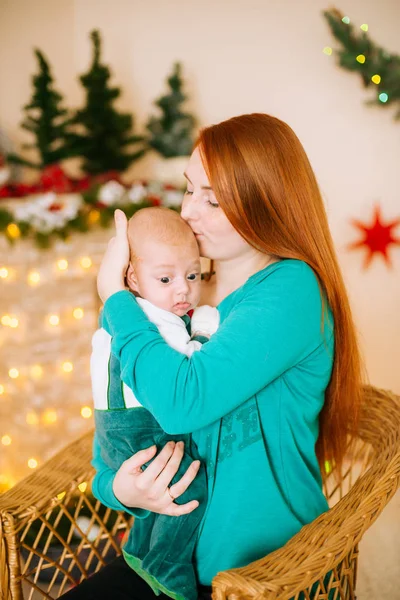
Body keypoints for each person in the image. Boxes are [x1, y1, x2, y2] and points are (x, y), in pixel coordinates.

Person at [62, 113, 363, 600]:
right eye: (188, 190)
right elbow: (123, 416)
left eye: (213, 199)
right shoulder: (181, 289)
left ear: (266, 205)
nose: (188, 213)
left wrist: (114, 297)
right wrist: (119, 490)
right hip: (162, 555)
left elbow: (184, 402)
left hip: (260, 573)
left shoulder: (292, 289)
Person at [90, 207, 220, 600]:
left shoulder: (121, 315)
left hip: (114, 425)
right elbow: (191, 372)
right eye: (165, 278)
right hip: (140, 423)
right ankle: (166, 564)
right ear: (132, 278)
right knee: (188, 483)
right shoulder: (154, 321)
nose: (182, 289)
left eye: (192, 276)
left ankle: (140, 550)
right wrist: (205, 328)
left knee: (161, 488)